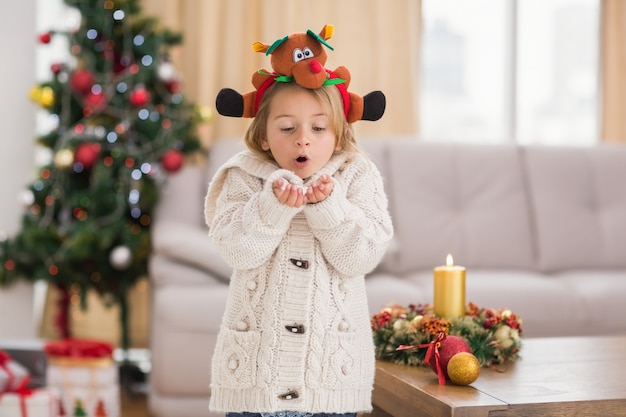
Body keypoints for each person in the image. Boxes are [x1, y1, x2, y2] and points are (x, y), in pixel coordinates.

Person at [204, 79, 394, 417]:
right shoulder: (245, 176)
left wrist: (331, 208)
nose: (302, 138)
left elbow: (362, 257)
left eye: (319, 127)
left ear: (338, 134)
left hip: (327, 379)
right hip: (258, 377)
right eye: (288, 127)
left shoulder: (356, 175)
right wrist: (270, 208)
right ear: (263, 134)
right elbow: (236, 250)